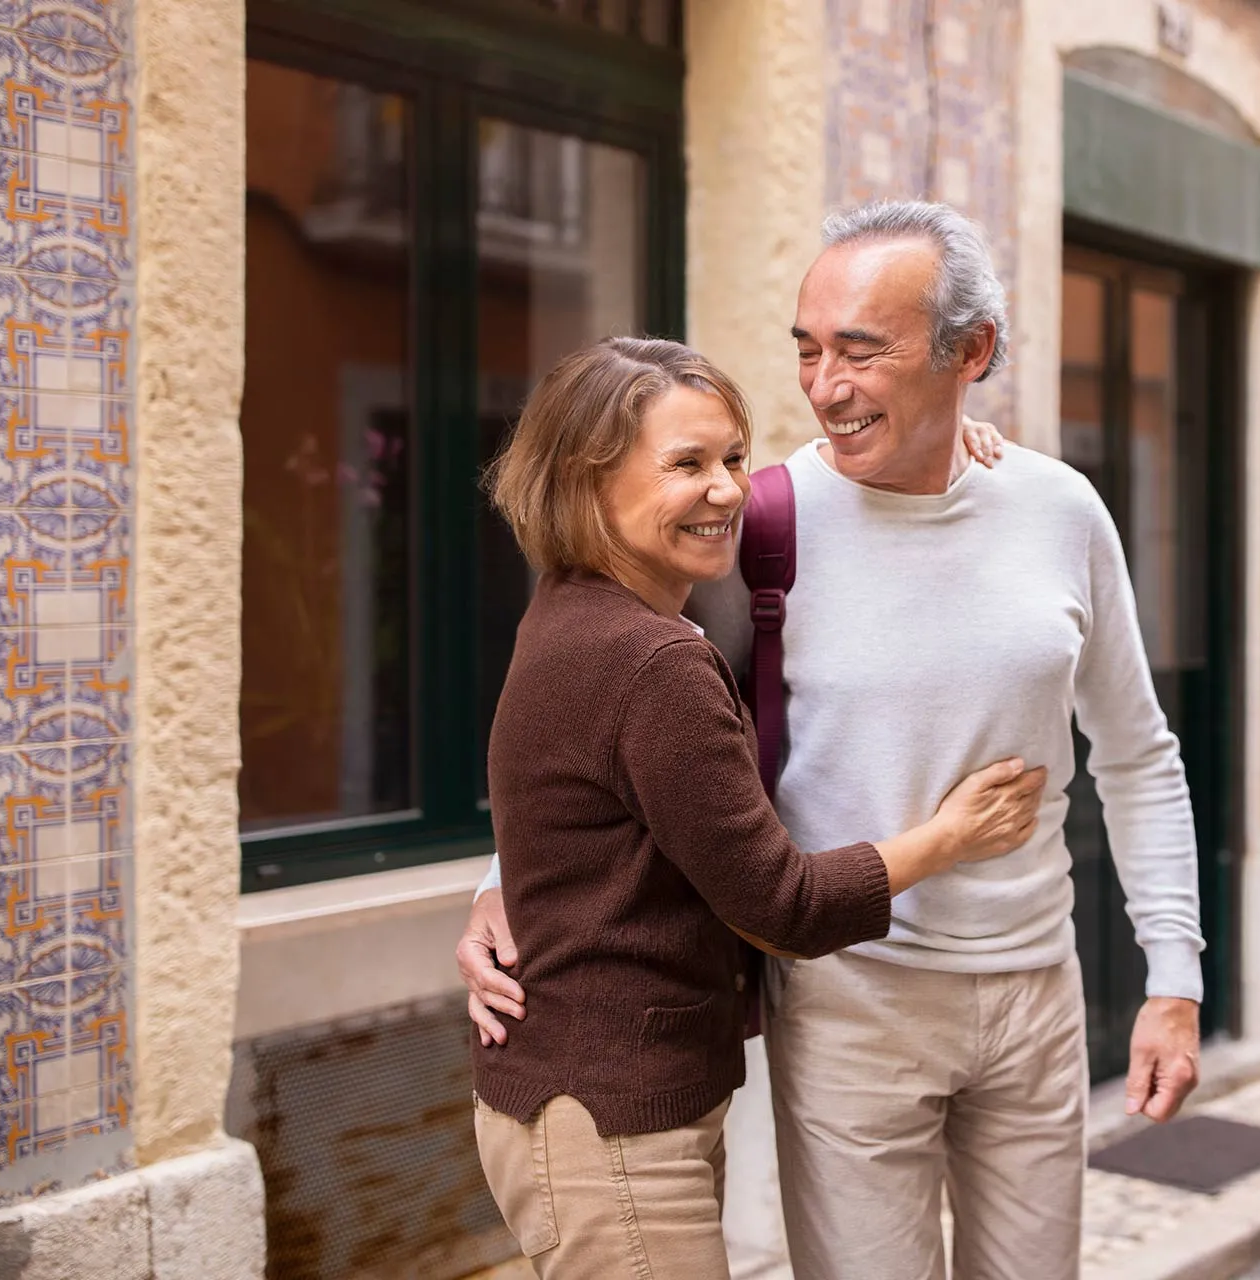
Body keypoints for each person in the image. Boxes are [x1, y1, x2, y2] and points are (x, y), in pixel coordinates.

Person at [460, 201, 1205, 1280]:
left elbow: (1137, 752)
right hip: (849, 997)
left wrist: (1172, 976)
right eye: (808, 349)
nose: (824, 385)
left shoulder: (1059, 509)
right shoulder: (750, 523)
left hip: (1039, 989)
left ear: (971, 353)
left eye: (862, 349)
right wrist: (502, 879)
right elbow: (596, 725)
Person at [470, 334, 1045, 1278]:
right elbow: (781, 907)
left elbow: (578, 826)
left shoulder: (574, 609)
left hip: (590, 1102)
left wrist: (945, 430)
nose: (728, 490)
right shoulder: (652, 660)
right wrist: (948, 839)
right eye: (686, 465)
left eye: (733, 457)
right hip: (609, 1120)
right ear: (586, 483)